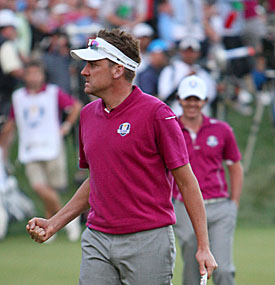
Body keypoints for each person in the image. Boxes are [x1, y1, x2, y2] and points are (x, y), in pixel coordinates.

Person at [26, 29, 217, 284]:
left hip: (148, 240)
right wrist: (54, 223)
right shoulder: (86, 115)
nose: (84, 71)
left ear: (117, 70)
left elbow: (186, 182)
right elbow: (98, 179)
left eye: (93, 65)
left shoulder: (157, 114)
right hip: (97, 238)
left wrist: (203, 246)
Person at [0, 60, 82, 242]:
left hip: (52, 146)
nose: (33, 77)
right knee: (40, 188)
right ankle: (67, 221)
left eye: (37, 73)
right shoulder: (19, 96)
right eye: (30, 73)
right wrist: (4, 148)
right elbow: (12, 123)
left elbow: (75, 106)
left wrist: (66, 126)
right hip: (30, 148)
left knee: (51, 189)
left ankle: (48, 227)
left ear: (42, 75)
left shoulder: (52, 92)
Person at [173, 75, 243, 285]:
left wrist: (234, 204)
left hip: (219, 206)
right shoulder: (170, 129)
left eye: (197, 99)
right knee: (193, 271)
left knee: (222, 269)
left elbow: (235, 167)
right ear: (179, 99)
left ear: (205, 100)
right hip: (183, 207)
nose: (192, 104)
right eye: (188, 99)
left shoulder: (221, 130)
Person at [158, 36, 216, 116]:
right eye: (186, 51)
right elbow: (164, 95)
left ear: (198, 53)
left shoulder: (203, 73)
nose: (189, 54)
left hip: (200, 120)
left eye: (192, 51)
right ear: (180, 52)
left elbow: (210, 95)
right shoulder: (171, 70)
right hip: (176, 118)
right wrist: (185, 80)